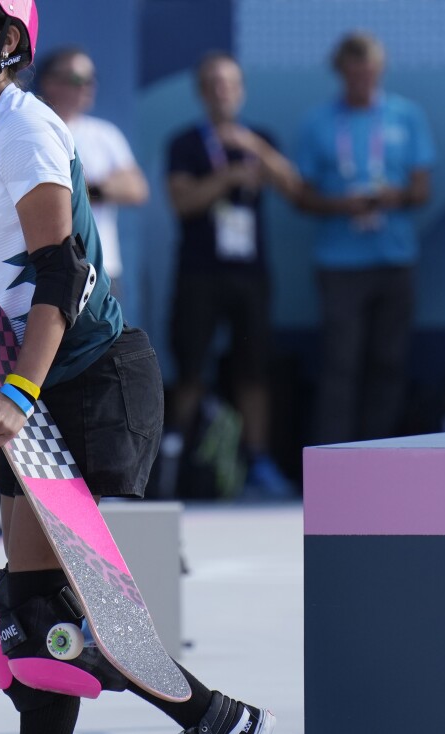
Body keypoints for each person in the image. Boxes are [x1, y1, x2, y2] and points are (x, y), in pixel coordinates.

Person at [0, 3, 273, 734]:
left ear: (8, 40)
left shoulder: (26, 128)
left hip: (89, 382)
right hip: (28, 393)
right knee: (28, 612)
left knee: (66, 612)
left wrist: (18, 391)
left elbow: (64, 272)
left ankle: (215, 720)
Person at [166, 52, 300, 498]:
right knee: (191, 368)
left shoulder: (258, 137)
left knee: (254, 370)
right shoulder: (184, 143)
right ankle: (179, 457)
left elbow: (293, 186)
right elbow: (182, 202)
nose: (223, 92)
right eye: (213, 84)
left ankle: (258, 460)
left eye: (230, 84)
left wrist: (255, 150)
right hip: (199, 273)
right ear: (202, 92)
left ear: (240, 90)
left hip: (250, 274)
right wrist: (228, 178)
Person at [295, 31, 436, 445]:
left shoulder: (406, 115)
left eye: (369, 69)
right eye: (353, 70)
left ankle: (379, 454)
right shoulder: (319, 122)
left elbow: (422, 189)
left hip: (394, 257)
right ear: (341, 72)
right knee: (341, 364)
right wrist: (343, 206)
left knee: (389, 362)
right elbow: (301, 196)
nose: (362, 77)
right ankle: (335, 457)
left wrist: (394, 197)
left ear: (380, 69)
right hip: (339, 263)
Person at [36, 46, 148, 301]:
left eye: (90, 80)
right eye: (77, 80)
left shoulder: (105, 134)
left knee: (106, 340)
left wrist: (82, 191)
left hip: (101, 266)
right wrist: (100, 188)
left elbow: (136, 189)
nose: (87, 87)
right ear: (50, 82)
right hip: (44, 265)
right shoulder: (34, 131)